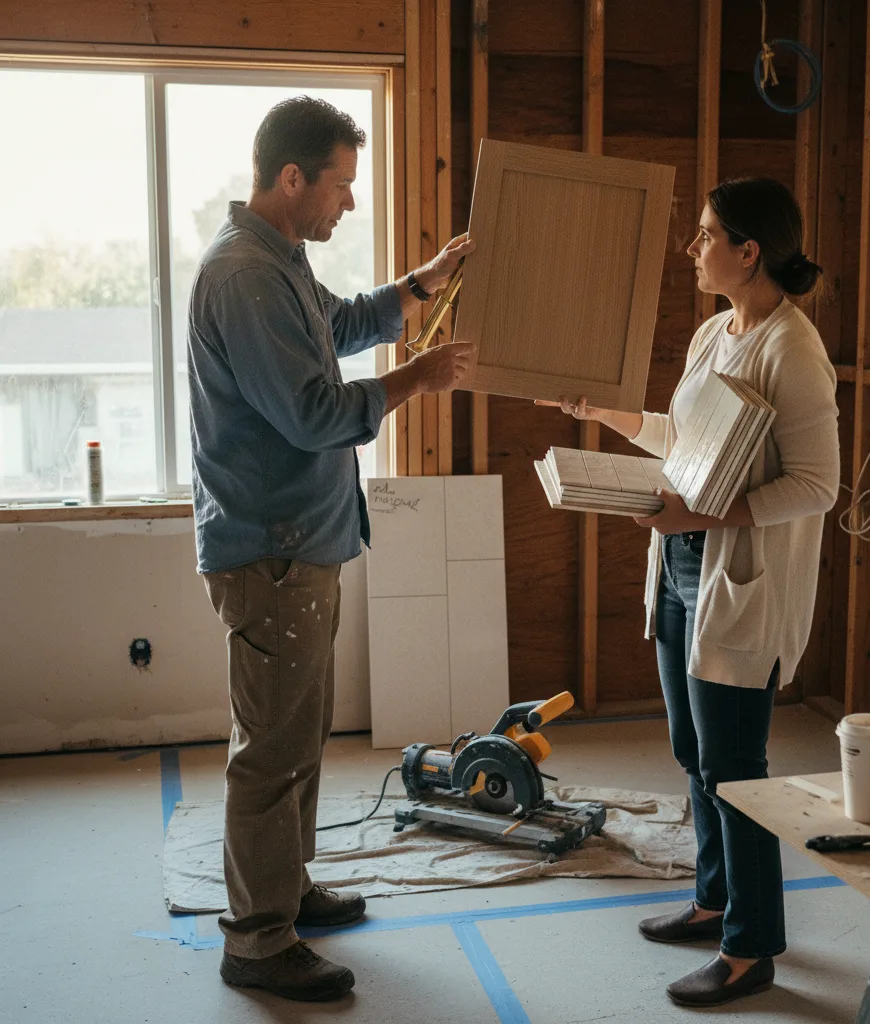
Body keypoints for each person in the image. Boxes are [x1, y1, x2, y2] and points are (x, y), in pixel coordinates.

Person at [187, 95, 475, 1003]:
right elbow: (313, 414)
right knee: (271, 748)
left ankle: (289, 892)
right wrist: (418, 377)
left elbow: (342, 324)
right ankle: (258, 940)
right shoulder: (242, 274)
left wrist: (419, 285)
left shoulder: (281, 261)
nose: (347, 204)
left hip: (298, 542)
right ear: (290, 178)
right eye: (341, 186)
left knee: (297, 734)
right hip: (270, 549)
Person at [541, 177, 840, 1009]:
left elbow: (819, 485)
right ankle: (715, 901)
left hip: (736, 579)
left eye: (706, 235)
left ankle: (753, 948)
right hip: (682, 569)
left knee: (736, 769)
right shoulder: (715, 334)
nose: (692, 248)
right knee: (691, 752)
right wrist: (603, 413)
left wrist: (710, 511)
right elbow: (687, 441)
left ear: (750, 251)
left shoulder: (793, 350)